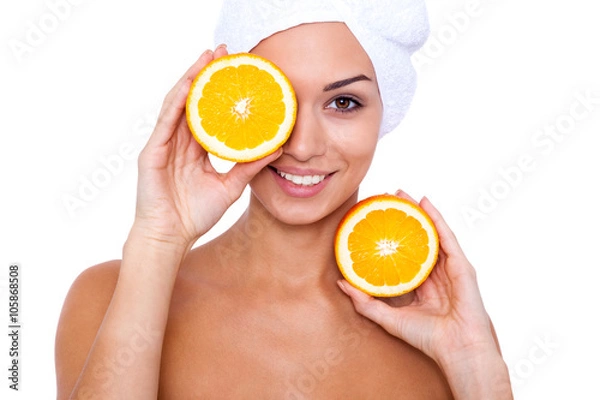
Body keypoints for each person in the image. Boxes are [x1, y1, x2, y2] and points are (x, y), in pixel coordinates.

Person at [55, 1, 513, 398]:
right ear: (232, 105)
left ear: (387, 111)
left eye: (344, 103)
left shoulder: (443, 332)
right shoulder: (109, 299)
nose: (302, 145)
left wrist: (477, 369)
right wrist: (157, 242)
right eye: (279, 101)